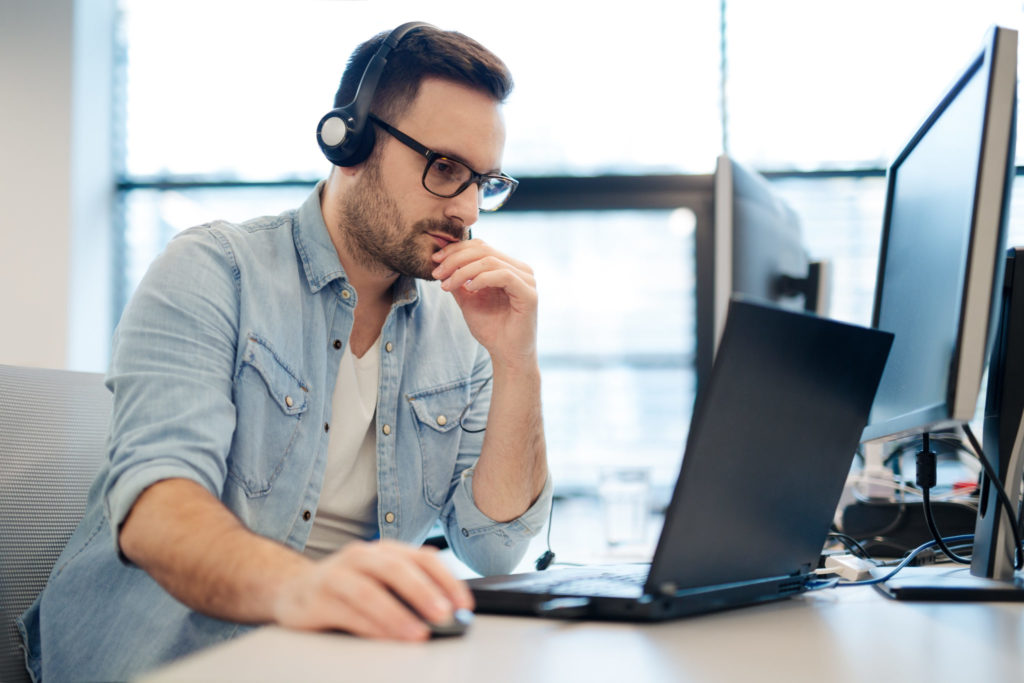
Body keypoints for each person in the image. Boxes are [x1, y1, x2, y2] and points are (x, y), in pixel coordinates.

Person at [19, 22, 551, 681]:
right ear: (349, 143)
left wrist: (515, 360)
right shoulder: (215, 272)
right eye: (444, 169)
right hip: (161, 662)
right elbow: (157, 511)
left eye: (484, 181)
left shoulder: (459, 329)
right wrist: (306, 590)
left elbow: (496, 548)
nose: (467, 209)